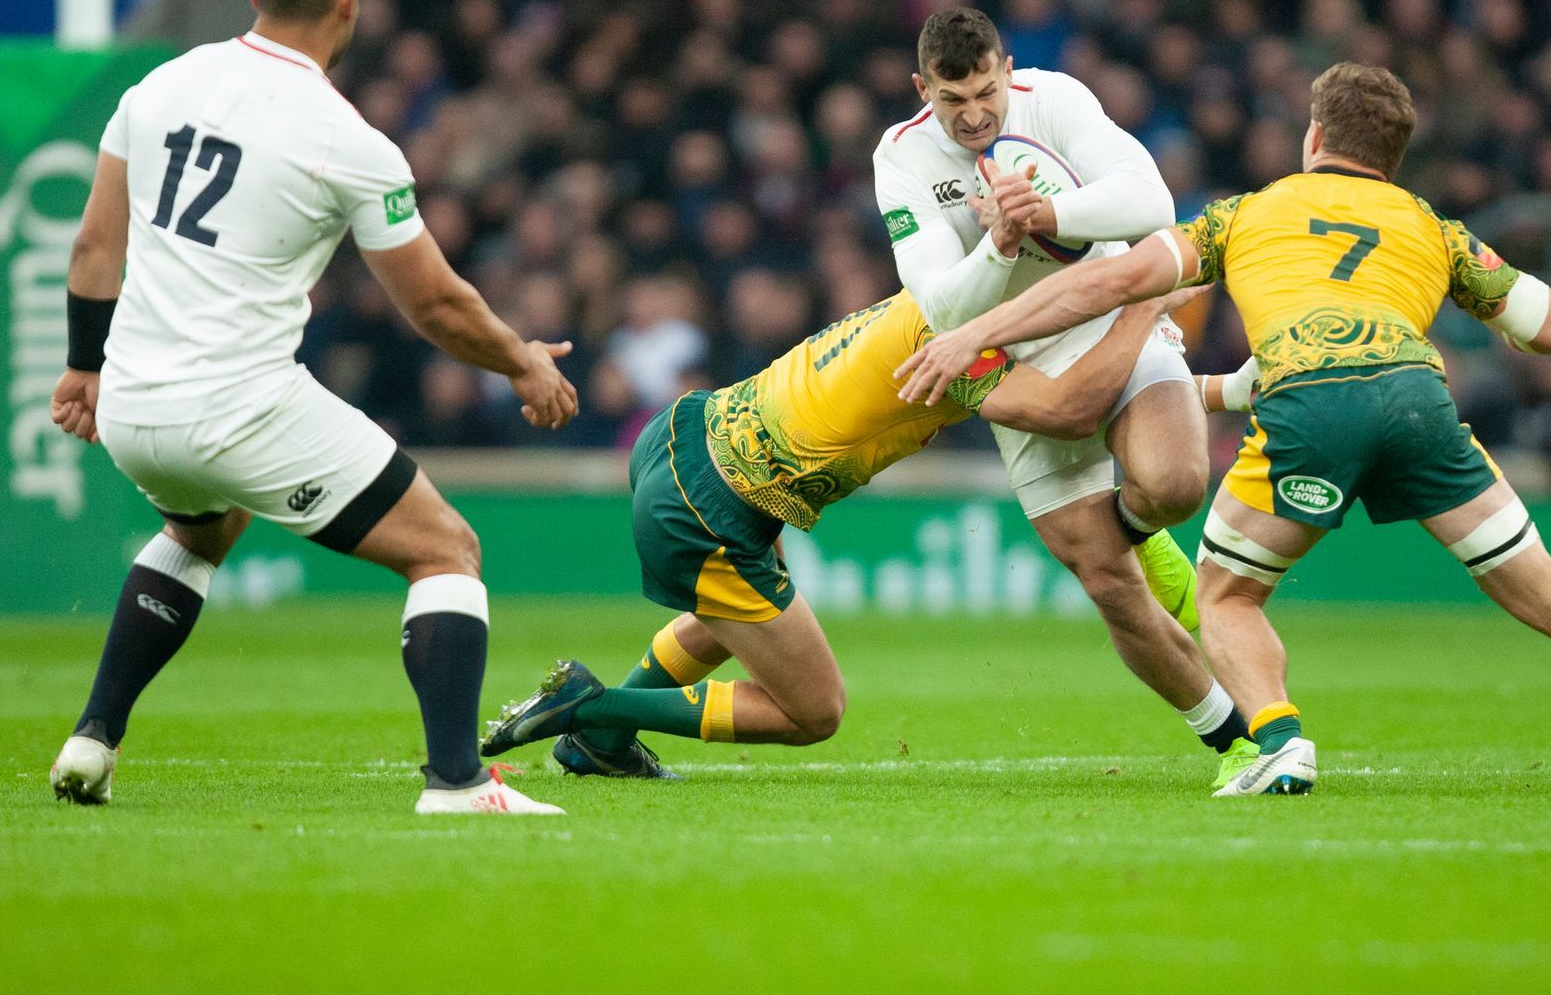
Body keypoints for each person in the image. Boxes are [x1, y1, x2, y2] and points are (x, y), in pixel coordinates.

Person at [898, 62, 1551, 798]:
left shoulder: (1244, 214)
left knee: (1228, 593)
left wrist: (974, 333)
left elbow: (1108, 284)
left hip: (1312, 401)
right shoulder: (1434, 228)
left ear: (1314, 139)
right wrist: (1487, 302)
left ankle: (1280, 743)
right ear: (1395, 155)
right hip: (1420, 401)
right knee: (1544, 589)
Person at [46, 0, 578, 816]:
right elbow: (434, 306)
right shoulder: (349, 141)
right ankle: (456, 782)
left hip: (135, 407)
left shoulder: (159, 84)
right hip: (238, 405)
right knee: (447, 549)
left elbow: (97, 245)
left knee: (200, 532)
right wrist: (521, 362)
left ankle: (93, 737)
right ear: (350, 5)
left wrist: (81, 369)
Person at [479, 287, 1199, 771]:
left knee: (733, 620)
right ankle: (590, 704)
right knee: (813, 710)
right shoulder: (963, 343)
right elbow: (1069, 410)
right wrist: (1141, 311)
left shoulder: (932, 292)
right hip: (713, 503)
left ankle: (596, 744)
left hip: (688, 433)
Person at [872, 8, 1258, 788]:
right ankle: (1237, 740)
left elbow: (1149, 202)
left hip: (1109, 318)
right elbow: (946, 309)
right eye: (953, 100)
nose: (975, 113)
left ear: (1007, 70)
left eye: (986, 91)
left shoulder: (1055, 98)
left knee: (1179, 486)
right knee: (1109, 584)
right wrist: (1002, 243)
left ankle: (1139, 522)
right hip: (1010, 355)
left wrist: (1049, 213)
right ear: (923, 90)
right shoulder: (901, 157)